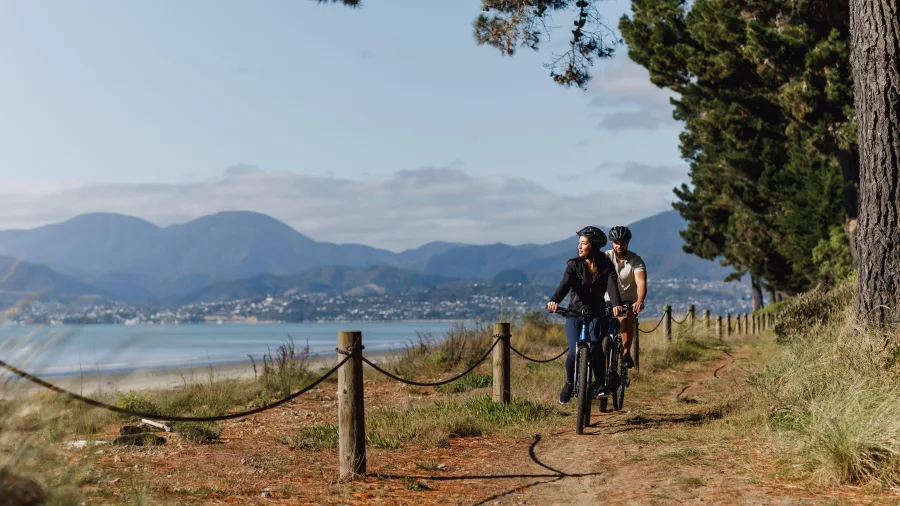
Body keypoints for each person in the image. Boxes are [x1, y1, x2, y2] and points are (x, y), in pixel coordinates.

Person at [546, 226, 624, 404]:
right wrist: (554, 300)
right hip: (574, 314)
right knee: (574, 351)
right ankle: (569, 382)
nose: (579, 247)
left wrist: (616, 305)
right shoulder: (574, 265)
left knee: (596, 346)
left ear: (594, 246)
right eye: (579, 243)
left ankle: (598, 384)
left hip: (597, 314)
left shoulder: (606, 266)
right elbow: (564, 285)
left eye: (584, 243)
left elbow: (612, 287)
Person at [605, 226, 647, 369]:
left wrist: (639, 301)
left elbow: (641, 282)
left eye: (623, 242)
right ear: (612, 242)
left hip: (627, 300)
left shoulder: (636, 260)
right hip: (608, 299)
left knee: (625, 317)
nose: (619, 245)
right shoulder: (606, 257)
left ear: (628, 242)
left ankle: (625, 353)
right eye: (616, 242)